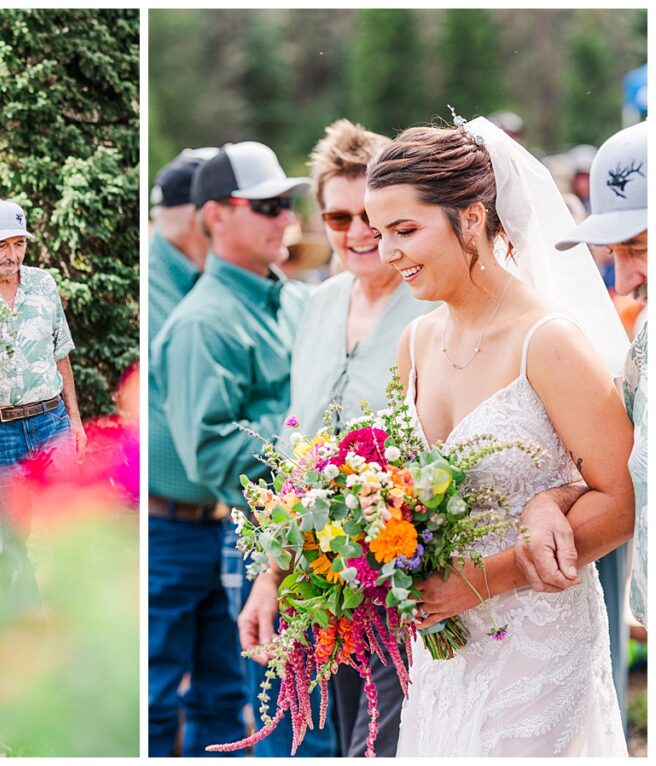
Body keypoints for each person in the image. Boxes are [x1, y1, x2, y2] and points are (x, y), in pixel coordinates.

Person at [364, 116, 633, 756]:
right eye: (380, 234)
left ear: (473, 216)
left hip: (539, 637)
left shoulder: (548, 340)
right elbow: (406, 493)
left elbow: (623, 500)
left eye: (405, 230)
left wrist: (490, 577)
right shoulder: (416, 342)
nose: (388, 252)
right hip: (442, 650)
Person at [237, 119, 437, 757]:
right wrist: (271, 576)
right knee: (343, 738)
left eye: (367, 218)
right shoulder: (314, 305)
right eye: (336, 217)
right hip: (328, 584)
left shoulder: (433, 310)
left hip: (412, 578)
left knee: (377, 746)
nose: (355, 235)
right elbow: (302, 459)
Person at [153, 142, 336, 757]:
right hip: (267, 537)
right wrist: (312, 444)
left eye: (287, 203)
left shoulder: (299, 300)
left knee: (320, 710)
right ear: (216, 216)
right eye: (268, 206)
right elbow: (211, 454)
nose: (287, 217)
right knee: (291, 719)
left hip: (327, 530)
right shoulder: (202, 324)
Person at [516, 120, 647, 634]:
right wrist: (551, 499)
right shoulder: (647, 342)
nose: (625, 279)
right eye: (613, 253)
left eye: (638, 246)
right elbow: (629, 468)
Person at [147, 148, 252, 757]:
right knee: (160, 692)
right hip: (169, 521)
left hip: (227, 521)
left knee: (223, 687)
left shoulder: (217, 280)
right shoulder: (161, 286)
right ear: (202, 219)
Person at [0, 199, 86, 614]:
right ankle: (27, 629)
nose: (12, 254)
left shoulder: (43, 284)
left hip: (50, 421)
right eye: (1, 245)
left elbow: (60, 352)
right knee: (8, 538)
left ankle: (79, 624)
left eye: (19, 244)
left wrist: (75, 421)